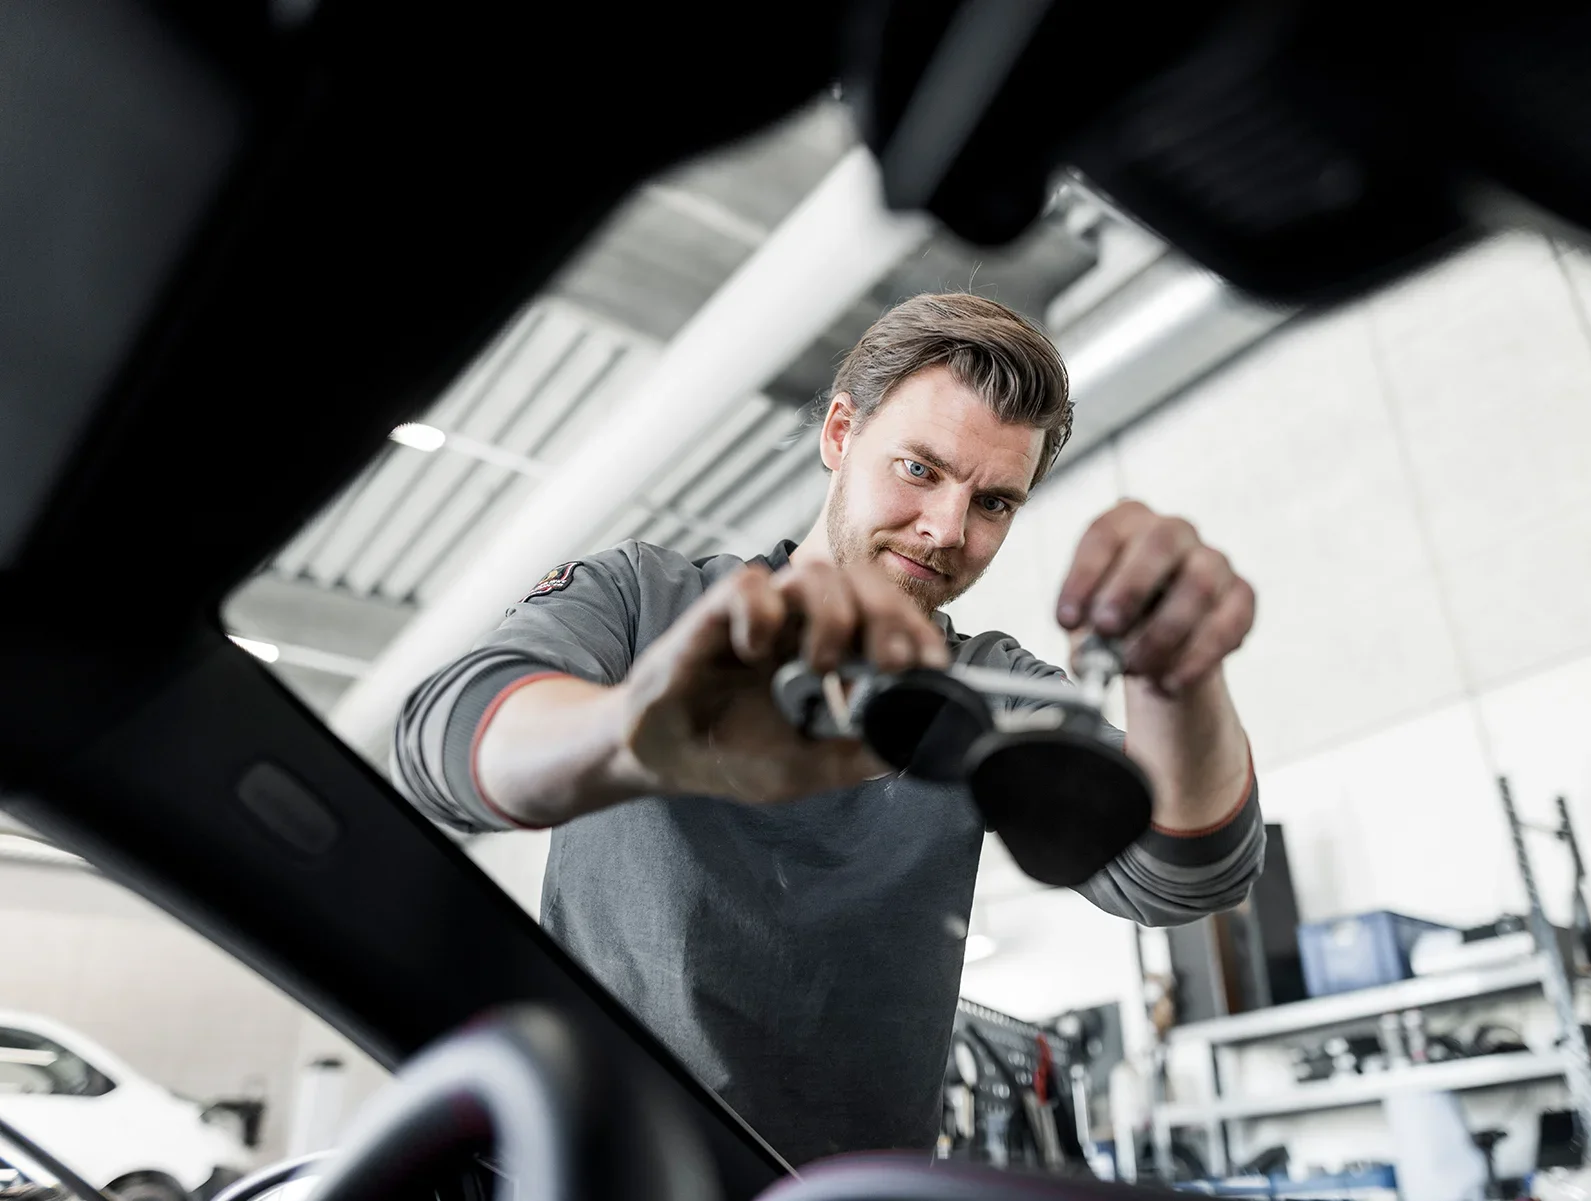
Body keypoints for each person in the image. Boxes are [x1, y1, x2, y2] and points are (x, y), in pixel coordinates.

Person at [393, 293, 1263, 1165]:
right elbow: (446, 739)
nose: (948, 530)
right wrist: (634, 735)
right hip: (592, 1171)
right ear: (840, 433)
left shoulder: (985, 693)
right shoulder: (645, 603)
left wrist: (1176, 680)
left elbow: (1179, 880)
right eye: (920, 469)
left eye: (995, 502)